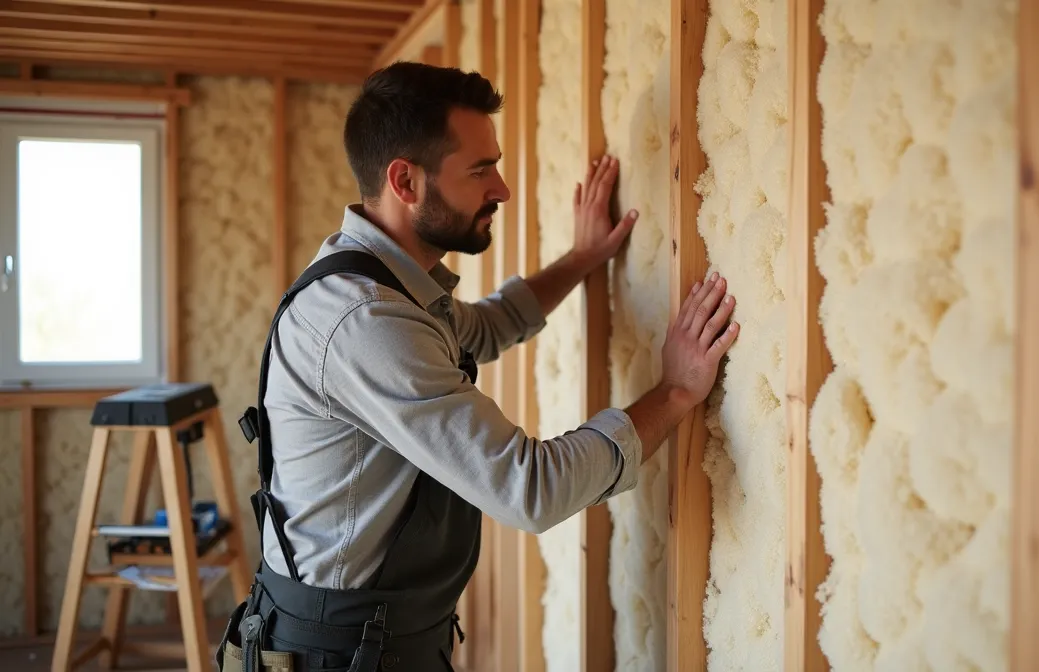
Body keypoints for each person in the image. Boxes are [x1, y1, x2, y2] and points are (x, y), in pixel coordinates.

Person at [217, 62, 739, 671]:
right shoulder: (365, 321)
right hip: (334, 654)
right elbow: (529, 489)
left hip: (372, 641)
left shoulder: (387, 286)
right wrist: (675, 392)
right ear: (405, 182)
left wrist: (582, 258)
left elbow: (484, 327)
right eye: (480, 169)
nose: (502, 189)